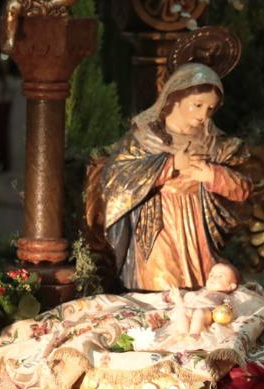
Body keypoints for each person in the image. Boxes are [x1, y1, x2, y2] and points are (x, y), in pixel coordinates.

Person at [100, 63, 252, 292]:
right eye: (197, 105)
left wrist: (212, 174)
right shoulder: (145, 139)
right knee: (163, 291)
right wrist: (170, 165)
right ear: (175, 98)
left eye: (210, 108)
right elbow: (116, 180)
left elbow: (243, 188)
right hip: (158, 227)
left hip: (200, 230)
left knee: (204, 292)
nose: (203, 115)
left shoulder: (216, 144)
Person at [169, 263, 238, 336]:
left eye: (220, 276)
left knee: (199, 312)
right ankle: (183, 333)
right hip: (190, 308)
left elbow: (228, 309)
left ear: (231, 286)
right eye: (211, 275)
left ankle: (194, 334)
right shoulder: (201, 291)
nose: (213, 278)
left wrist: (226, 308)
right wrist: (178, 298)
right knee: (181, 311)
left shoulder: (222, 295)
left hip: (207, 312)